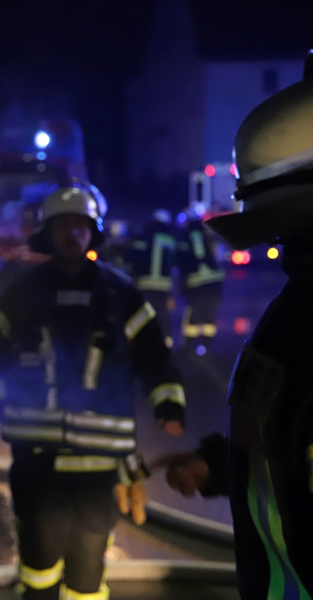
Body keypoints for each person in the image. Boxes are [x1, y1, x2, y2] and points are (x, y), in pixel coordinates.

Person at [0, 180, 186, 600]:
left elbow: (154, 357)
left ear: (94, 232)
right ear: (47, 233)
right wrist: (0, 404)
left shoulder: (120, 293)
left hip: (100, 462)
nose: (73, 233)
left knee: (89, 564)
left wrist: (169, 405)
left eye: (81, 226)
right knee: (38, 560)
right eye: (64, 225)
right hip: (37, 460)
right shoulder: (23, 292)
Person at [158, 51, 313, 599]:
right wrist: (224, 465)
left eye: (290, 234)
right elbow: (292, 451)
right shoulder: (298, 311)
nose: (281, 251)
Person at [122, 208, 178, 347]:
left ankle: (135, 342)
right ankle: (165, 344)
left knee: (142, 314)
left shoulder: (144, 236)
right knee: (162, 315)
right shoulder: (170, 239)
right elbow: (174, 263)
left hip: (144, 284)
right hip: (164, 286)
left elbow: (131, 257)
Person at [175, 207, 225, 354]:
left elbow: (182, 261)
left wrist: (181, 285)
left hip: (197, 283)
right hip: (215, 282)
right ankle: (207, 347)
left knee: (194, 314)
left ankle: (189, 347)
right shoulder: (207, 232)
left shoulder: (185, 236)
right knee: (210, 314)